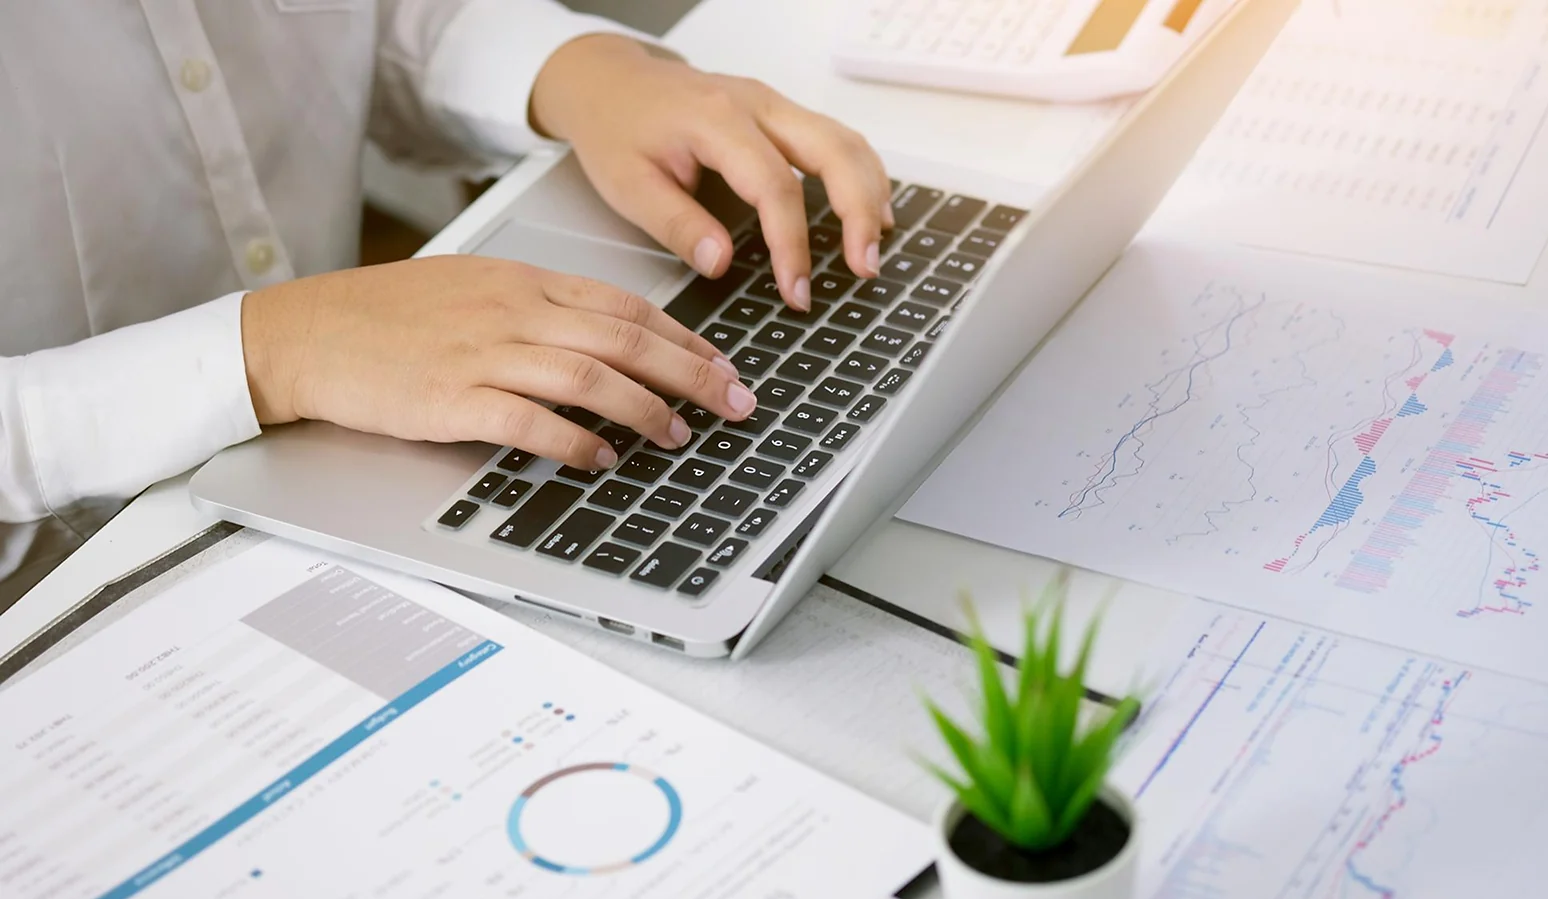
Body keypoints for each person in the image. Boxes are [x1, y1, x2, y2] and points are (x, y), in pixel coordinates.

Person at [0, 1, 892, 606]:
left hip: (367, 455)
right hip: (62, 590)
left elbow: (382, 22)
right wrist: (277, 346)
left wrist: (578, 71)